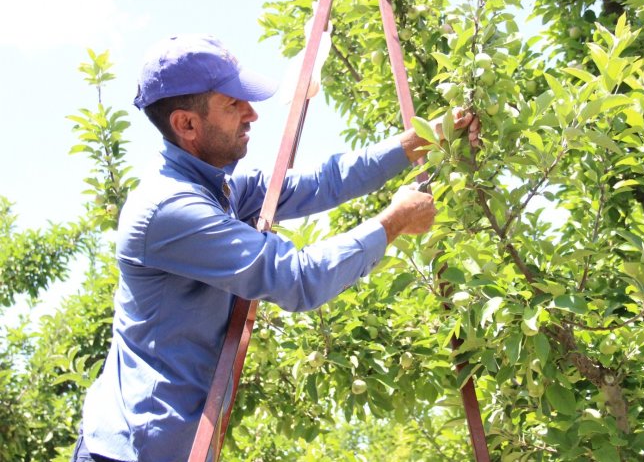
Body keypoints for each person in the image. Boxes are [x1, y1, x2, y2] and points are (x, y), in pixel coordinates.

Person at [72, 34, 478, 462]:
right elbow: (297, 279)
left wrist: (416, 142)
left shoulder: (216, 187)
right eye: (233, 104)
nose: (252, 114)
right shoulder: (170, 209)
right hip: (131, 453)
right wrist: (393, 222)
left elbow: (322, 182)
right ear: (186, 125)